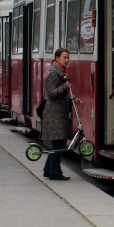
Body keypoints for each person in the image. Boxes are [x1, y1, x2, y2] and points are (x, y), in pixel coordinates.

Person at [40, 48, 73, 181]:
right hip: (55, 113)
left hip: (58, 112)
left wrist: (72, 98)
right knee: (59, 143)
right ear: (57, 58)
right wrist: (65, 87)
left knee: (58, 143)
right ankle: (55, 172)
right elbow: (51, 93)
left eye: (68, 58)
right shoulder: (54, 73)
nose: (67, 60)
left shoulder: (60, 72)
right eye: (64, 57)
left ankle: (48, 170)